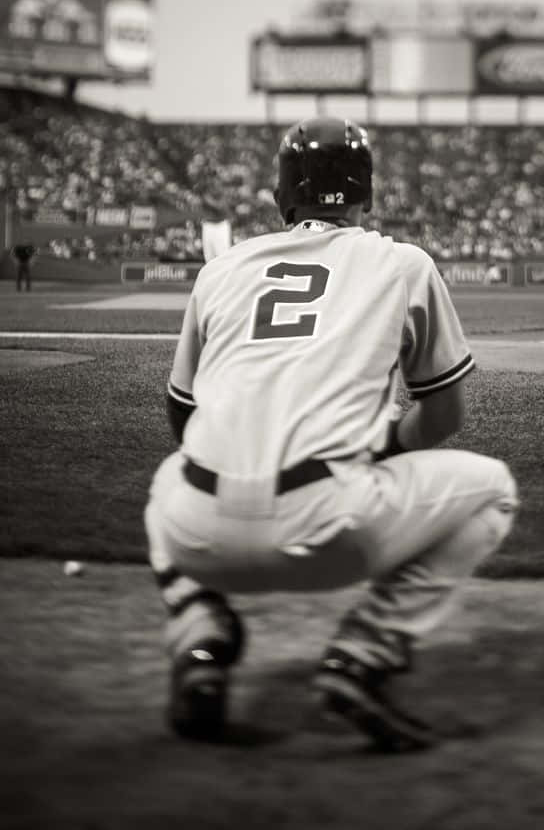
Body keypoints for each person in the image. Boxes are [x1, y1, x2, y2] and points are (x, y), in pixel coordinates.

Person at [144, 118, 518, 751]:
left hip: (197, 536)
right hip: (329, 533)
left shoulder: (222, 269)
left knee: (166, 479)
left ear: (281, 195)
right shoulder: (402, 264)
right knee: (492, 490)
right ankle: (359, 658)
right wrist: (384, 449)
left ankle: (201, 638)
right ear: (366, 193)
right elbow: (444, 416)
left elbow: (182, 418)